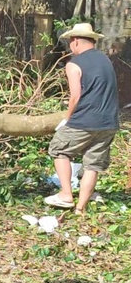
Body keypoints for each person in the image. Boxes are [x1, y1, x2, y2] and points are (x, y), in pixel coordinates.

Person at [44, 23, 119, 215]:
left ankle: (66, 194)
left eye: (70, 42)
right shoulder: (106, 60)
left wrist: (66, 120)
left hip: (85, 120)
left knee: (58, 148)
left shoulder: (73, 64)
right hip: (109, 122)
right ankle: (80, 208)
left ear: (75, 41)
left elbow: (75, 96)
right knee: (92, 164)